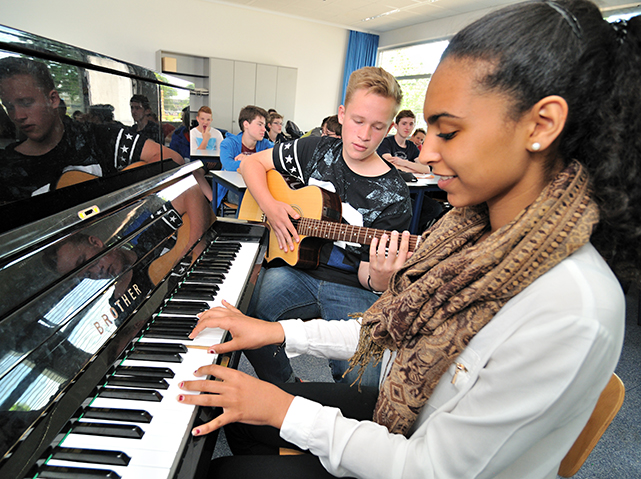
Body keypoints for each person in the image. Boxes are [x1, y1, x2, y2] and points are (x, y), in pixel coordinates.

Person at [178, 1, 640, 478]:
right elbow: (386, 326)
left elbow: (429, 468)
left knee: (220, 466)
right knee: (224, 415)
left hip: (418, 456)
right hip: (404, 410)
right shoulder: (468, 232)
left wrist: (282, 409)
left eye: (450, 131)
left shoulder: (571, 309)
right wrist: (278, 332)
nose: (428, 154)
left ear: (541, 125)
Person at [237, 67, 412, 385]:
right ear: (342, 115)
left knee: (365, 381)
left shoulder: (395, 194)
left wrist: (381, 278)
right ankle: (286, 386)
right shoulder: (316, 150)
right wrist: (271, 206)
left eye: (377, 127)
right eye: (358, 121)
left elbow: (365, 274)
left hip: (352, 287)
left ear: (389, 127)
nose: (364, 135)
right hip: (294, 268)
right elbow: (250, 163)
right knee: (243, 311)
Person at [0, 57, 210, 203]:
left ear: (53, 99)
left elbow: (170, 159)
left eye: (26, 103)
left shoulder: (97, 136)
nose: (18, 115)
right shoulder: (7, 167)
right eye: (9, 106)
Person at [217, 105, 273, 208]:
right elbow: (229, 166)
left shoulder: (265, 144)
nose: (264, 129)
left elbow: (277, 156)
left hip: (258, 187)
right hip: (234, 190)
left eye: (264, 125)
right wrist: (255, 163)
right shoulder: (228, 143)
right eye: (260, 124)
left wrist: (248, 160)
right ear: (246, 124)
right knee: (253, 198)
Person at [377, 109, 431, 174]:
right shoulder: (386, 142)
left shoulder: (412, 146)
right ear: (396, 126)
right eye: (404, 124)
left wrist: (403, 162)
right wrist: (415, 170)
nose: (407, 127)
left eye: (411, 124)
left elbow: (426, 169)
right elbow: (390, 166)